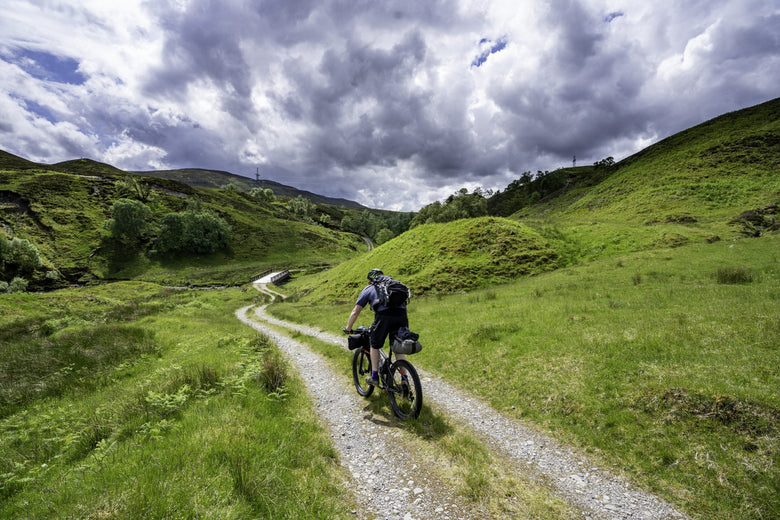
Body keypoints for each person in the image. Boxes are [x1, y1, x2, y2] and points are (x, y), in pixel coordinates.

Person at [344, 268, 407, 386]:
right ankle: (405, 379)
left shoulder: (369, 288)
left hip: (384, 317)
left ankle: (374, 377)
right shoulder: (393, 285)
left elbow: (355, 311)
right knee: (398, 346)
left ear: (370, 280)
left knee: (374, 344)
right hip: (402, 315)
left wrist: (348, 328)